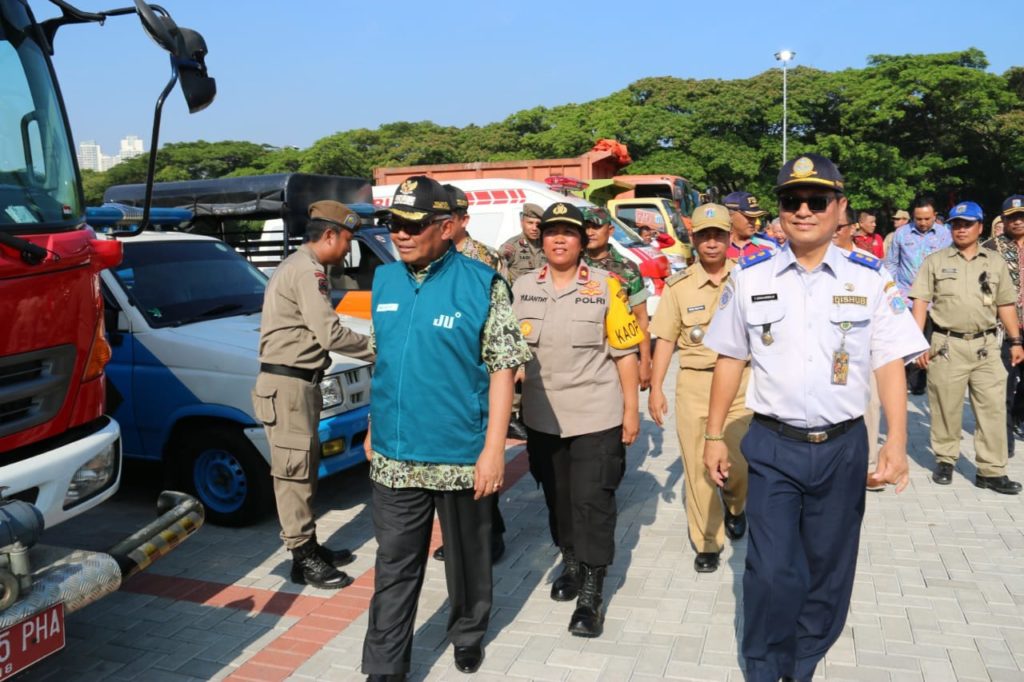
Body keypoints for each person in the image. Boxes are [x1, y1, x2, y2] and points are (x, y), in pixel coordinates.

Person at [703, 153, 928, 682]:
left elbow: (889, 361)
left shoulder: (871, 279)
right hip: (773, 444)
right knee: (772, 567)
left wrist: (895, 440)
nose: (803, 210)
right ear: (778, 210)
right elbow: (730, 357)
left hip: (843, 447)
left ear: (839, 207)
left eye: (817, 200)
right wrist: (714, 433)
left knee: (828, 569)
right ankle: (764, 663)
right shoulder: (750, 277)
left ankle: (803, 659)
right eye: (791, 201)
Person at [361, 176, 530, 678]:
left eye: (414, 225)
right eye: (395, 224)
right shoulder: (385, 281)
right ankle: (385, 666)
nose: (402, 234)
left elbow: (503, 367)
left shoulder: (481, 283)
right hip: (394, 453)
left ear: (446, 226)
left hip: (460, 453)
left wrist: (494, 450)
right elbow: (384, 361)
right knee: (393, 565)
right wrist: (373, 425)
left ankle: (468, 632)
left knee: (467, 558)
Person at [513, 201, 641, 638]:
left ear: (583, 240)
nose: (559, 239)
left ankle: (591, 590)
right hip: (542, 417)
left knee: (593, 502)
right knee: (558, 498)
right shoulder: (522, 287)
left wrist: (631, 412)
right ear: (541, 239)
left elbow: (626, 355)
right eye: (551, 232)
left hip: (596, 416)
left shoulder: (608, 287)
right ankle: (569, 561)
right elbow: (510, 354)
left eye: (568, 232)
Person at [253, 200, 372, 590]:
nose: (347, 250)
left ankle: (309, 546)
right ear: (329, 236)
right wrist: (380, 347)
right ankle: (302, 557)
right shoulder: (308, 271)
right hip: (288, 386)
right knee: (293, 475)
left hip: (298, 384)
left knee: (302, 470)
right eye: (347, 241)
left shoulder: (301, 266)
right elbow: (330, 334)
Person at [648, 203, 750, 574]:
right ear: (693, 240)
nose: (711, 243)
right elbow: (665, 339)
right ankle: (708, 540)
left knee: (738, 462)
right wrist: (656, 387)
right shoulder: (678, 287)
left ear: (729, 238)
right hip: (695, 382)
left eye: (718, 235)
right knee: (698, 467)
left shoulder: (748, 279)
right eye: (703, 236)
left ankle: (736, 503)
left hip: (741, 383)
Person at [909, 200, 1023, 495]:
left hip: (986, 345)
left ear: (979, 227)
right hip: (946, 344)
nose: (961, 229)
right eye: (956, 225)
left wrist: (1015, 340)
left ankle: (991, 471)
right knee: (946, 405)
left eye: (967, 224)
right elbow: (920, 302)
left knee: (993, 409)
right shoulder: (935, 260)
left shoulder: (995, 261)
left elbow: (1006, 304)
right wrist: (916, 342)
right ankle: (946, 459)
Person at [430, 184, 511, 565]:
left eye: (454, 216)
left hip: (476, 374)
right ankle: (456, 534)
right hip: (442, 376)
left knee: (480, 459)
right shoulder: (426, 262)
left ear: (461, 220)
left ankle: (488, 533)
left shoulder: (484, 259)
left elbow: (501, 318)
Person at [835, 209, 886, 491]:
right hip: (827, 354)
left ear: (853, 228)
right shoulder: (809, 263)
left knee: (869, 406)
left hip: (862, 351)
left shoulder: (870, 266)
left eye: (839, 227)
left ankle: (867, 466)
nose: (832, 232)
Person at [884, 196, 952, 394]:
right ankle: (902, 381)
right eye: (918, 219)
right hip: (906, 297)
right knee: (905, 341)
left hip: (935, 299)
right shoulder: (901, 234)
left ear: (934, 216)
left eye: (927, 219)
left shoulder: (944, 235)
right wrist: (892, 292)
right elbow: (892, 264)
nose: (923, 223)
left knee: (930, 340)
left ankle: (921, 382)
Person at [582, 206, 652, 390]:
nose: (589, 232)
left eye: (595, 227)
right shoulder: (571, 264)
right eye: (586, 227)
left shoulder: (628, 269)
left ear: (610, 230)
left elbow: (641, 318)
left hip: (616, 358)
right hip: (580, 356)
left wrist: (645, 361)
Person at [984, 195, 1024, 453]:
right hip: (1005, 328)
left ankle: (1019, 416)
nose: (1018, 222)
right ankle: (1004, 438)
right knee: (1004, 386)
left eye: (1022, 216)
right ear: (1004, 220)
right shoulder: (991, 247)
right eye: (1013, 217)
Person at [500, 202, 546, 283]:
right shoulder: (511, 246)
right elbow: (498, 272)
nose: (534, 228)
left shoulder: (546, 246)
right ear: (522, 223)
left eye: (538, 224)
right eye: (530, 223)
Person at [723, 191, 774, 259]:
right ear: (730, 216)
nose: (753, 221)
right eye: (748, 216)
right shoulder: (716, 249)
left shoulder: (769, 248)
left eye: (755, 217)